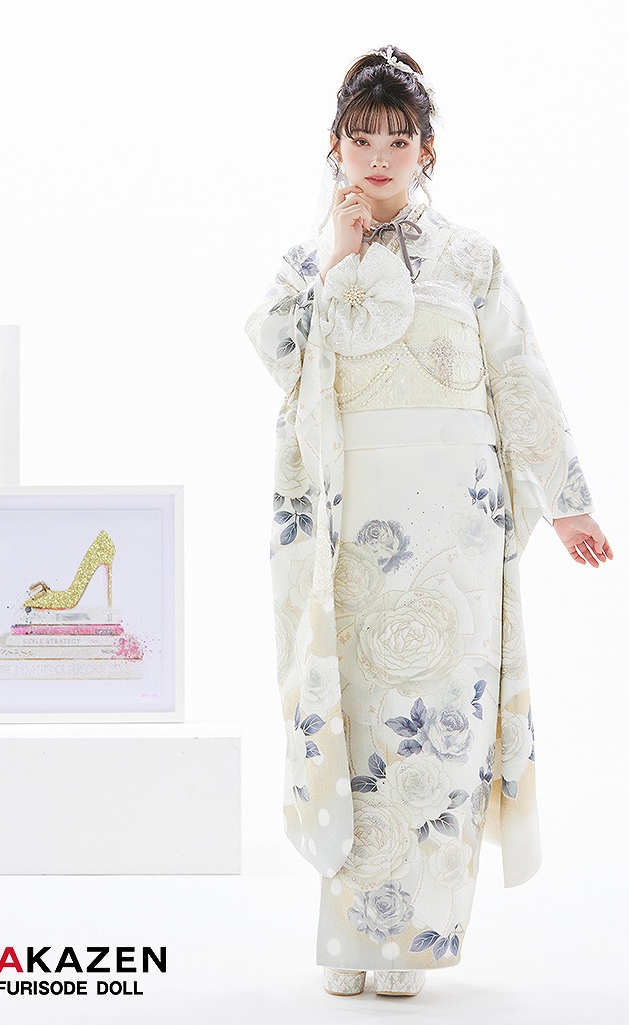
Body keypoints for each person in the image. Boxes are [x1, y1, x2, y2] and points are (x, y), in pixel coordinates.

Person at [244, 45, 612, 999]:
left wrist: (564, 501)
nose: (378, 156)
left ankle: (416, 936)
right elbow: (278, 352)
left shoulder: (470, 258)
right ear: (333, 145)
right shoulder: (306, 259)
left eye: (396, 139)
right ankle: (350, 937)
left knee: (439, 724)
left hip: (453, 524)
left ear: (426, 150)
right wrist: (337, 256)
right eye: (360, 137)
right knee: (356, 713)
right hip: (351, 518)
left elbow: (518, 374)